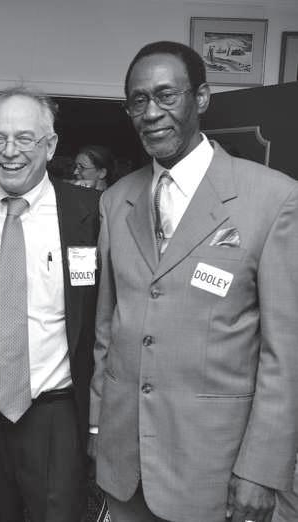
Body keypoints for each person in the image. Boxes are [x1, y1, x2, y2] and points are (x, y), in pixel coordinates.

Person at [88, 40, 298, 522]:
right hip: (125, 462)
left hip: (214, 469)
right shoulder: (115, 201)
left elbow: (286, 354)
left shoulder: (274, 199)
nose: (151, 113)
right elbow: (107, 329)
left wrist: (263, 469)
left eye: (167, 95)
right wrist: (98, 426)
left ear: (201, 98)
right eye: (138, 101)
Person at [0, 87, 100, 522]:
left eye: (24, 138)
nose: (9, 151)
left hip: (55, 412)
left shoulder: (91, 213)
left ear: (50, 146)